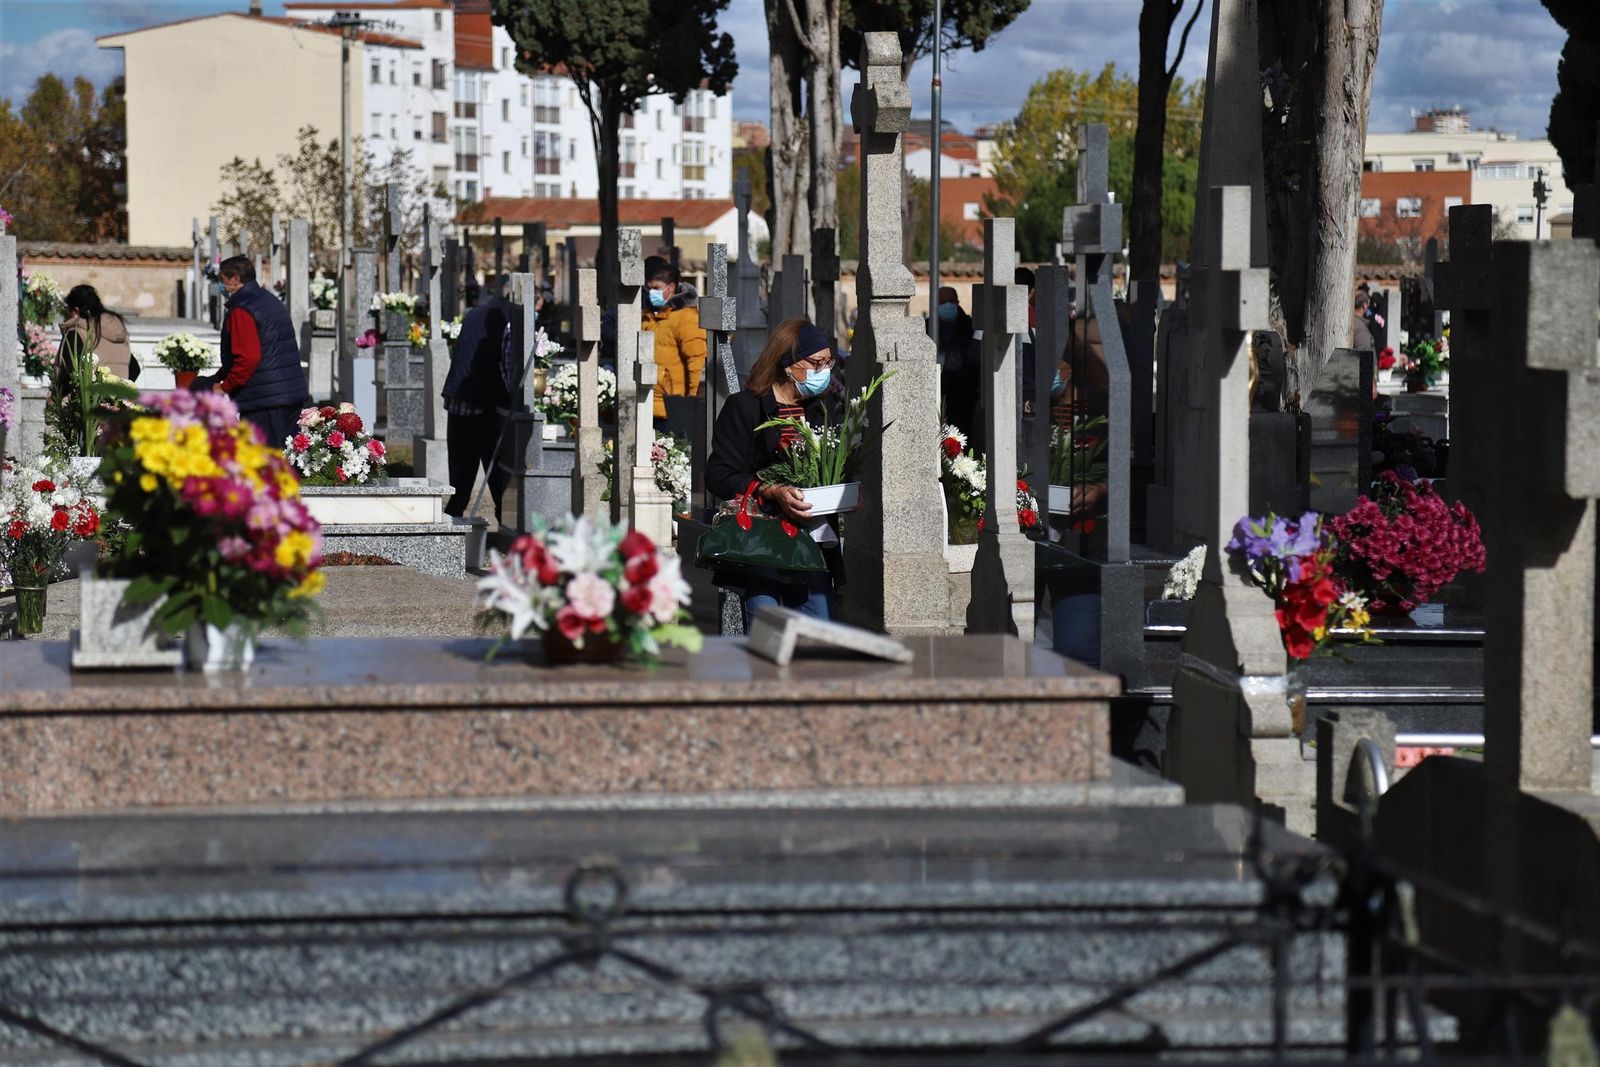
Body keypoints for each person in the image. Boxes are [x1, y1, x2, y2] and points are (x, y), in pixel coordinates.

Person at [705, 317, 841, 632]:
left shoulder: (821, 407)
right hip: (762, 541)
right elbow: (719, 474)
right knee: (770, 629)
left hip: (812, 540)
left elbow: (831, 463)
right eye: (816, 362)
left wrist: (843, 493)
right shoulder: (746, 407)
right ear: (788, 364)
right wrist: (770, 490)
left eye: (828, 362)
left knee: (817, 626)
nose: (824, 371)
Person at [198, 256, 311, 446]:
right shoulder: (267, 300)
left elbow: (248, 358)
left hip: (263, 400)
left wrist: (225, 387)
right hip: (284, 392)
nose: (221, 285)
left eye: (222, 280)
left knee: (261, 462)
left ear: (235, 279)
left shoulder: (242, 309)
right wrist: (219, 375)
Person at [441, 276, 518, 518]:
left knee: (461, 477)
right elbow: (507, 367)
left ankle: (451, 529)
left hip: (459, 400)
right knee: (498, 477)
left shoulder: (477, 313)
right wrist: (514, 399)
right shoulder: (508, 320)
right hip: (483, 403)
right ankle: (505, 527)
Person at [642, 255, 707, 431]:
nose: (651, 293)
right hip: (648, 404)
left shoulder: (686, 318)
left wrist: (691, 405)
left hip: (672, 407)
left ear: (671, 288)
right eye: (649, 289)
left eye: (656, 288)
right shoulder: (650, 316)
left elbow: (696, 363)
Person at [56, 284, 133, 383]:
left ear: (75, 310)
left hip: (87, 397)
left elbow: (69, 374)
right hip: (121, 395)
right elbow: (134, 368)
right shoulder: (120, 330)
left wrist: (54, 395)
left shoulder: (76, 333)